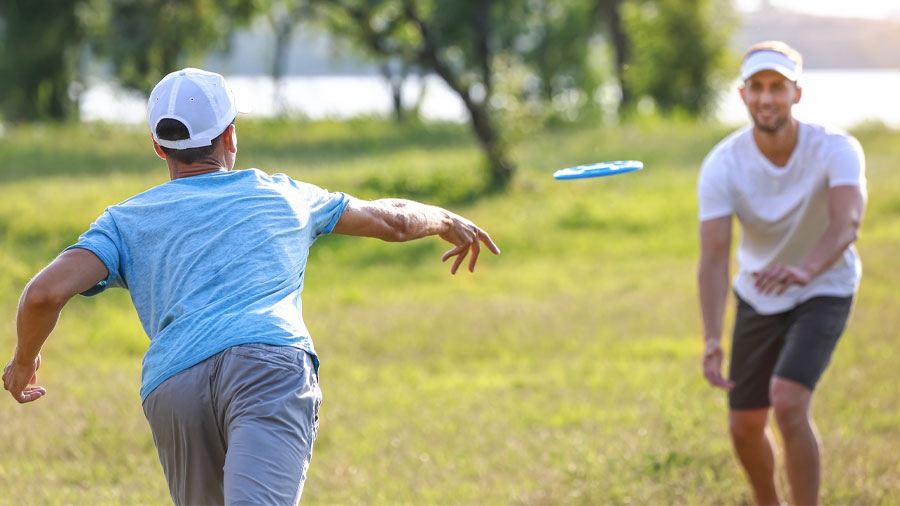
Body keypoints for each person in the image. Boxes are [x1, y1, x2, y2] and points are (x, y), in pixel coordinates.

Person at [3, 68, 500, 505]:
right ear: (231, 136)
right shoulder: (284, 195)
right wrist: (442, 217)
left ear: (158, 147)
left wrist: (25, 361)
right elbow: (389, 219)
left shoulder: (124, 221)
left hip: (175, 386)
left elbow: (45, 293)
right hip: (268, 365)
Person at [697, 41, 867, 505]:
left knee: (789, 402)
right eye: (757, 88)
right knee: (744, 425)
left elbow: (847, 221)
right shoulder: (723, 163)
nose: (767, 97)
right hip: (758, 292)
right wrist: (713, 338)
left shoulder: (836, 148)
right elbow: (713, 256)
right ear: (743, 95)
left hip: (824, 285)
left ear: (797, 93)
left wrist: (806, 268)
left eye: (778, 87)